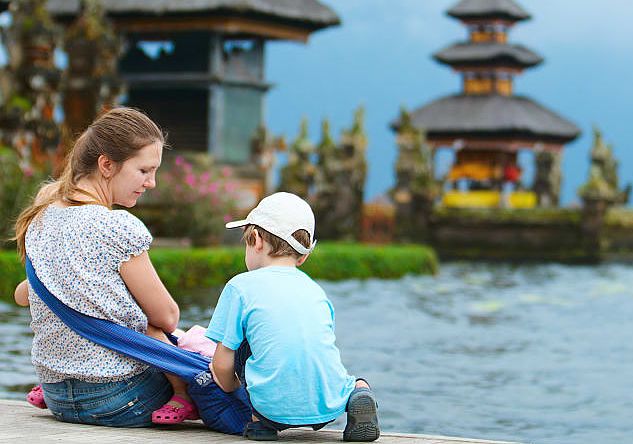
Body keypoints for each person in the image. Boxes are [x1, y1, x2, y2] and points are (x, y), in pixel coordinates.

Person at [13, 107, 198, 427]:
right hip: (120, 399)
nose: (152, 183)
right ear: (107, 165)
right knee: (178, 342)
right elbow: (166, 316)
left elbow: (23, 294)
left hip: (57, 397)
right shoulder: (117, 227)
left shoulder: (42, 215)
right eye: (144, 171)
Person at [206, 192, 380, 441]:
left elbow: (221, 364)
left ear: (255, 240)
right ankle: (358, 394)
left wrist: (231, 387)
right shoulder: (316, 291)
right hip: (328, 405)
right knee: (349, 380)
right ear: (304, 255)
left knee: (243, 343)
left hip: (271, 408)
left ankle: (260, 424)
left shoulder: (240, 287)